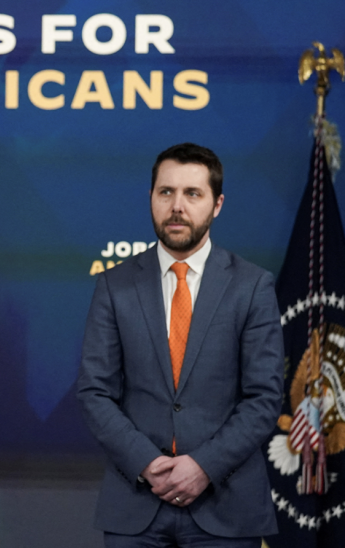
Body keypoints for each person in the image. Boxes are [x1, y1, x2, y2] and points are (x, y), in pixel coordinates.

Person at [76, 143, 285, 547]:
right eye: (166, 192)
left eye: (193, 193)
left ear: (217, 204)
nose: (177, 206)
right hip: (135, 506)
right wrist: (148, 463)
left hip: (226, 508)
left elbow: (263, 398)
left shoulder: (252, 286)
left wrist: (204, 466)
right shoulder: (114, 285)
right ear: (151, 198)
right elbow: (94, 391)